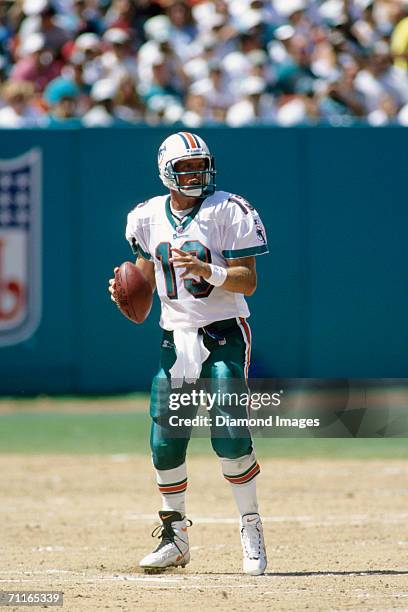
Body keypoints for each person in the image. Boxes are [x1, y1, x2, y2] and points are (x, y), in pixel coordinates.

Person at [108, 131, 268, 575]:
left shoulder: (229, 209)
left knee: (229, 431)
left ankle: (250, 526)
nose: (196, 175)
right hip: (174, 336)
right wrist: (125, 292)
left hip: (223, 331)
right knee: (165, 439)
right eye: (187, 168)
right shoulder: (144, 217)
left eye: (201, 166)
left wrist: (208, 271)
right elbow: (143, 280)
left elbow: (248, 281)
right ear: (167, 173)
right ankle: (175, 535)